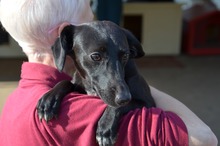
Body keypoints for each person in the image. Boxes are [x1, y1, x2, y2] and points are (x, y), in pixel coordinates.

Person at [0, 0, 217, 146]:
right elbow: (204, 138)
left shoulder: (15, 101)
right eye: (90, 13)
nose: (95, 19)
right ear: (65, 35)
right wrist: (132, 80)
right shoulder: (78, 113)